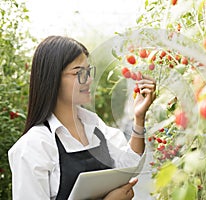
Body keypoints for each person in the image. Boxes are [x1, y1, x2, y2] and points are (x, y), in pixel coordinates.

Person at [8, 36, 156, 200]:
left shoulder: (94, 126)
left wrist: (139, 117)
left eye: (88, 72)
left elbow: (128, 163)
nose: (89, 79)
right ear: (52, 78)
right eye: (79, 72)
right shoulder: (34, 147)